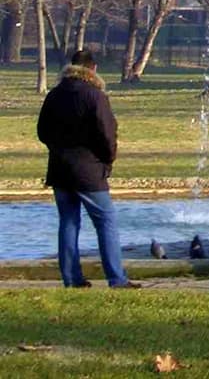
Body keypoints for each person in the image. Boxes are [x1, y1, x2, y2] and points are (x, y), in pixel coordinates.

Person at [36, 49, 138, 289]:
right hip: (89, 170)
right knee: (106, 221)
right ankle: (116, 278)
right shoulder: (95, 96)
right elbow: (107, 133)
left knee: (68, 222)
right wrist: (107, 160)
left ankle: (72, 279)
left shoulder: (54, 95)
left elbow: (42, 131)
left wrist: (59, 149)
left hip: (60, 169)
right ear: (93, 69)